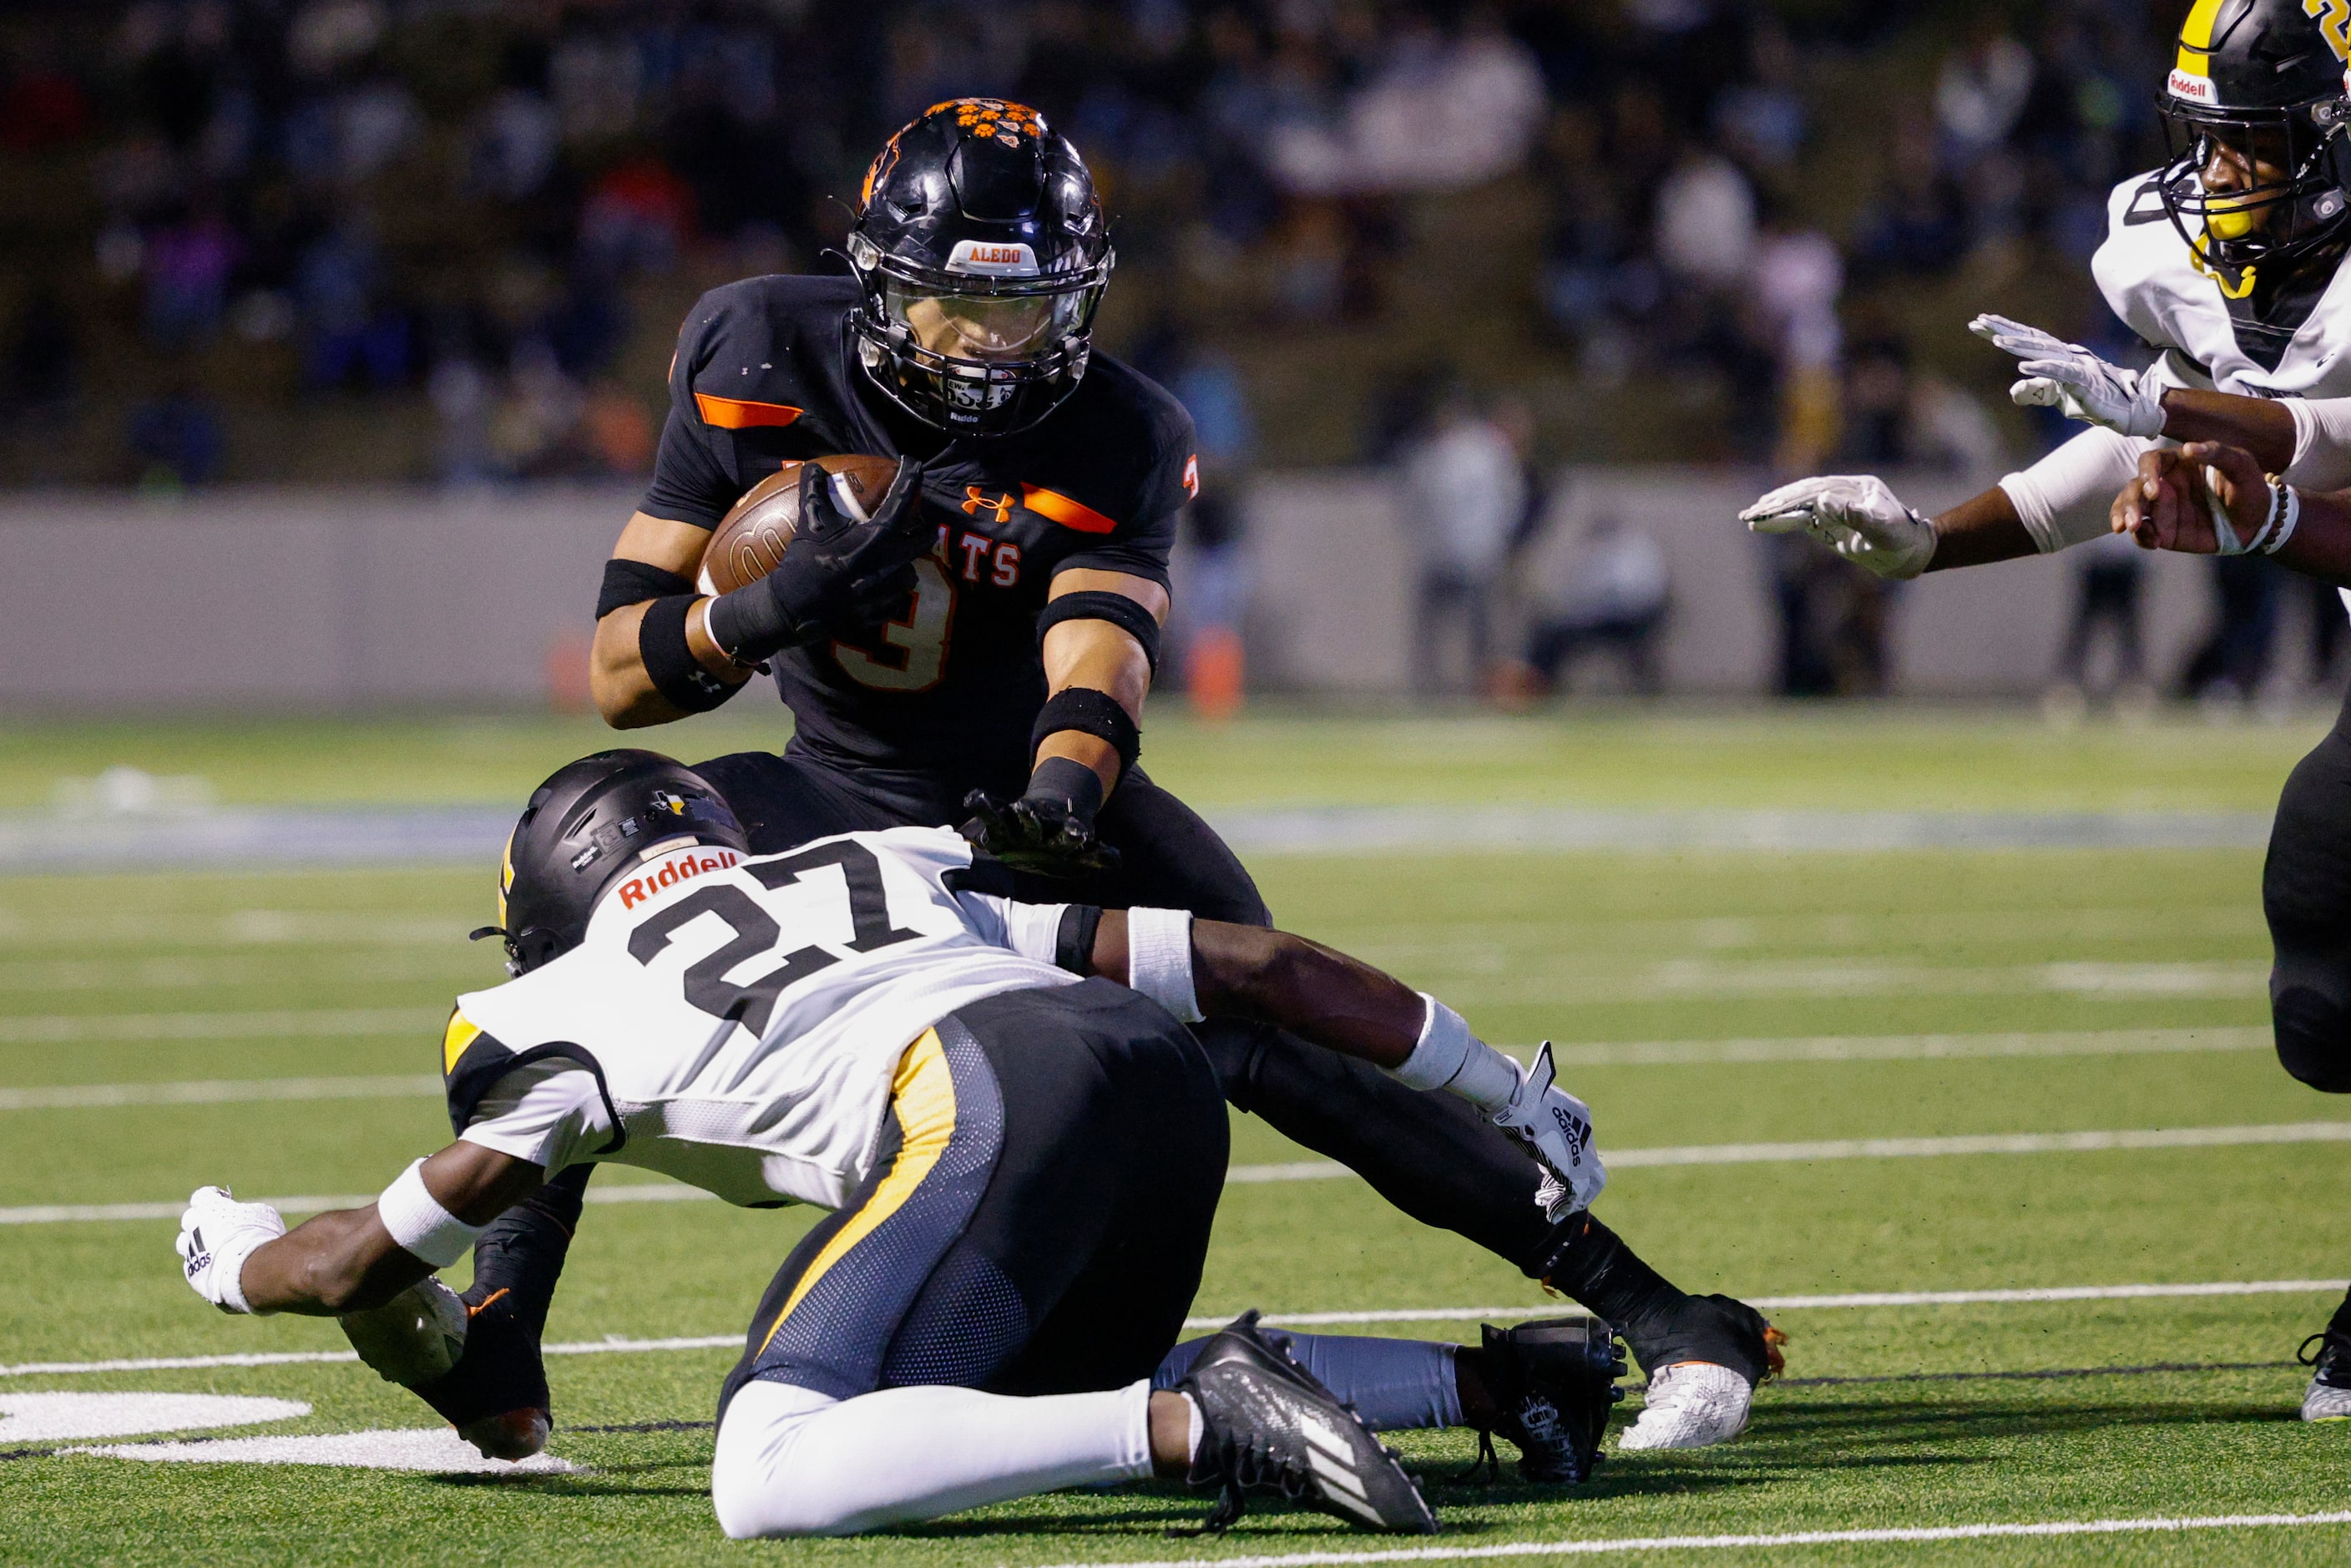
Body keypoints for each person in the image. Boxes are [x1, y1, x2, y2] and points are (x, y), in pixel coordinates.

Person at [488, 98, 1780, 1459]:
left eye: (1031, 310)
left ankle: (1659, 1308)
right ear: (876, 282)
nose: (997, 348)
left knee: (1287, 1036)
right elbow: (621, 671)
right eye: (958, 310)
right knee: (581, 861)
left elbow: (1098, 660)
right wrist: (745, 616)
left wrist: (1060, 803)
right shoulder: (753, 346)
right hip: (833, 790)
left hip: (1011, 794)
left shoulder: (1114, 430)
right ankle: (503, 1324)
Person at [174, 751, 1630, 1535]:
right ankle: (1498, 1385)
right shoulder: (878, 860)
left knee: (768, 1466)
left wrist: (233, 1251)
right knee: (974, 1410)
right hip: (1153, 1086)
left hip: (979, 1097)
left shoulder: (562, 1006)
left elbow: (365, 1258)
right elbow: (1250, 965)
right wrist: (1495, 1078)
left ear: (550, 901)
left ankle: (1198, 1425)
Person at [1735, 0, 2351, 1419]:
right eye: (2205, 146)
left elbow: (2311, 442)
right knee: (2323, 1004)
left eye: (2250, 148)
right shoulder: (2191, 252)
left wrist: (2218, 469)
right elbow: (2187, 425)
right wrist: (1930, 542)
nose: (2216, 183)